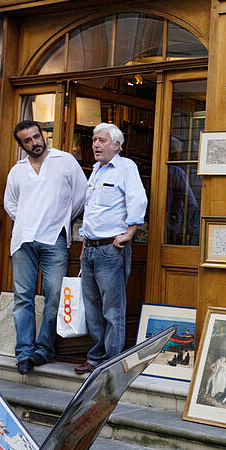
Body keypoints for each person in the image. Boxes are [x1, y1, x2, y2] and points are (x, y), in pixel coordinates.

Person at [4, 120, 86, 375]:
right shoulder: (17, 170)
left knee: (53, 297)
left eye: (37, 137)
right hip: (23, 241)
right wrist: (28, 220)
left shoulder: (64, 161)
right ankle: (24, 353)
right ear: (21, 145)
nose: (34, 143)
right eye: (27, 140)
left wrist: (60, 219)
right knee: (23, 298)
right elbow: (10, 204)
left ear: (43, 136)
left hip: (55, 240)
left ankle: (44, 348)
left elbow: (82, 195)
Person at [75, 122, 148, 374]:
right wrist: (85, 242)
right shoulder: (95, 170)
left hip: (110, 249)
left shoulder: (126, 167)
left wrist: (129, 233)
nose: (96, 144)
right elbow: (91, 210)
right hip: (91, 248)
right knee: (92, 306)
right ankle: (96, 357)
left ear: (117, 145)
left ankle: (111, 361)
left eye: (102, 140)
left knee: (112, 308)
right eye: (94, 139)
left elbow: (138, 200)